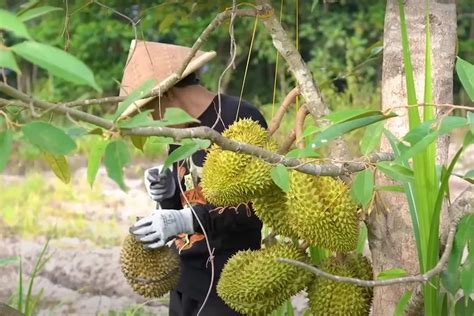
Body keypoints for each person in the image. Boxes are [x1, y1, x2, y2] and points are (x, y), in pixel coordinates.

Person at [120, 40, 268, 315]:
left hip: (230, 284)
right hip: (183, 279)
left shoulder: (239, 118)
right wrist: (167, 196)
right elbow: (184, 199)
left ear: (166, 94)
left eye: (150, 110)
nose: (153, 121)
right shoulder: (181, 131)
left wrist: (186, 219)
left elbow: (257, 206)